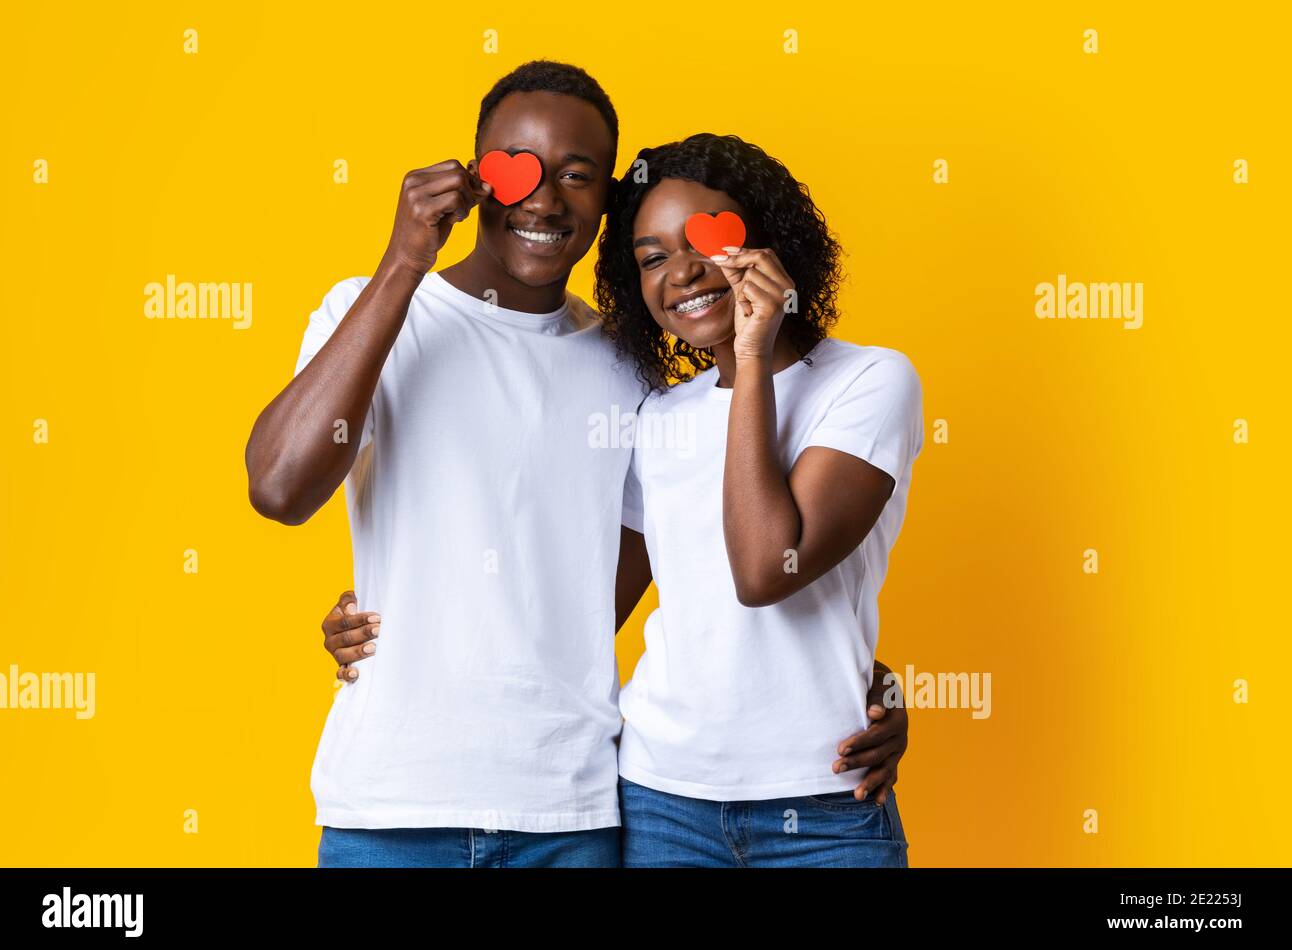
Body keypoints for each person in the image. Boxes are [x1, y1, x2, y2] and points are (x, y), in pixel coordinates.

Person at [249, 61, 907, 867]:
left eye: (578, 175)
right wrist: (402, 262)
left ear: (605, 202)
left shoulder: (629, 371)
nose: (545, 197)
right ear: (475, 175)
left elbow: (689, 579)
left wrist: (857, 676)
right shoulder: (380, 309)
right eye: (517, 167)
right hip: (390, 800)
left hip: (572, 808)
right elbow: (279, 486)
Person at [595, 133, 924, 866]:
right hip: (660, 798)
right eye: (651, 258)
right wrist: (384, 621)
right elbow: (587, 613)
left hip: (829, 796)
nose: (682, 270)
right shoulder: (656, 417)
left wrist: (750, 355)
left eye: (710, 237)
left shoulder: (870, 381)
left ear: (772, 241)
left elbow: (765, 568)